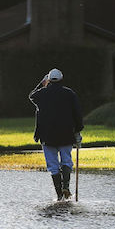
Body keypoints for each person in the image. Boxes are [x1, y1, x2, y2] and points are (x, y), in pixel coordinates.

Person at [29, 68, 83, 200]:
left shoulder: (41, 93)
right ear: (61, 79)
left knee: (53, 166)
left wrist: (41, 84)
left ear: (49, 80)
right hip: (66, 134)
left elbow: (31, 96)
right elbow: (77, 114)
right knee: (66, 161)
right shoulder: (69, 94)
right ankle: (66, 187)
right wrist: (78, 130)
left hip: (47, 136)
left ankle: (59, 195)